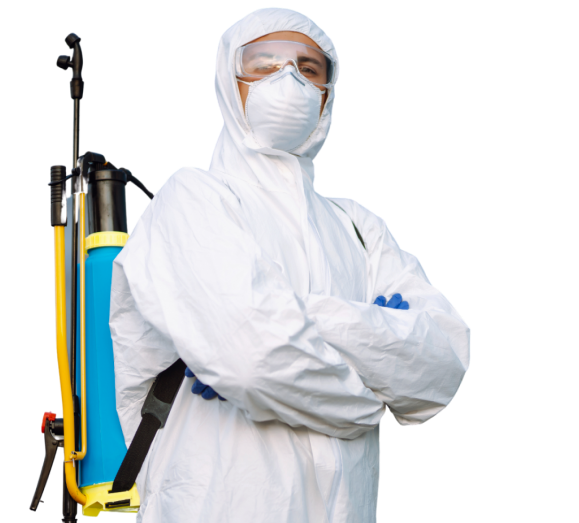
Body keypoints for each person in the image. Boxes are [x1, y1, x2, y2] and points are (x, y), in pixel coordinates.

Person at [109, 7, 471, 523]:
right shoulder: (191, 198)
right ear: (228, 80)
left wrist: (293, 317)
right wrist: (371, 393)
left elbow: (441, 367)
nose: (289, 79)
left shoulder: (358, 227)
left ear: (326, 94)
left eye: (309, 68)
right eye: (264, 63)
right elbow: (252, 359)